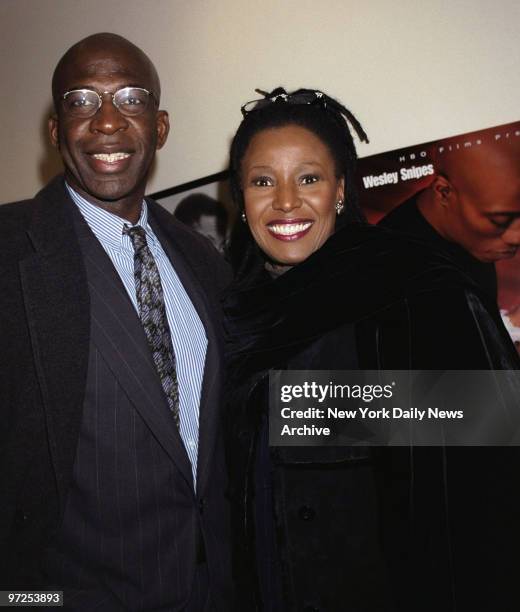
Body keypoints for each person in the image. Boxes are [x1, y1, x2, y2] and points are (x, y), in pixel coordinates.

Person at [222, 87, 520, 612]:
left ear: (339, 190)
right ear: (241, 200)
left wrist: (293, 408)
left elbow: (490, 417)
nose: (286, 200)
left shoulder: (407, 281)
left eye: (308, 178)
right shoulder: (229, 309)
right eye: (262, 180)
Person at [0, 33, 234, 611]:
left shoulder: (206, 262)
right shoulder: (7, 251)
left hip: (214, 589)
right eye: (82, 101)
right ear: (56, 131)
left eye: (131, 98)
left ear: (159, 127)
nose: (107, 122)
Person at [380, 137, 520, 301]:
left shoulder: (469, 234)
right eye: (499, 220)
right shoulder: (394, 272)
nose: (517, 237)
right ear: (443, 192)